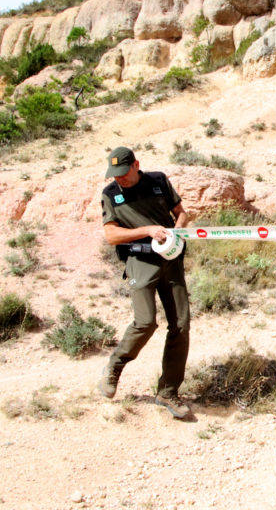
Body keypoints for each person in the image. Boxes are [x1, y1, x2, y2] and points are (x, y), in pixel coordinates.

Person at [97, 146, 192, 420]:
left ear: (136, 165)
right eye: (115, 175)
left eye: (124, 173)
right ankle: (115, 365)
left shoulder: (159, 181)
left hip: (170, 260)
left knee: (181, 325)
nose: (120, 179)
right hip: (140, 261)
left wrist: (177, 232)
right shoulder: (111, 194)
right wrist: (147, 230)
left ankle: (168, 392)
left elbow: (181, 213)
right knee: (146, 322)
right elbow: (111, 236)